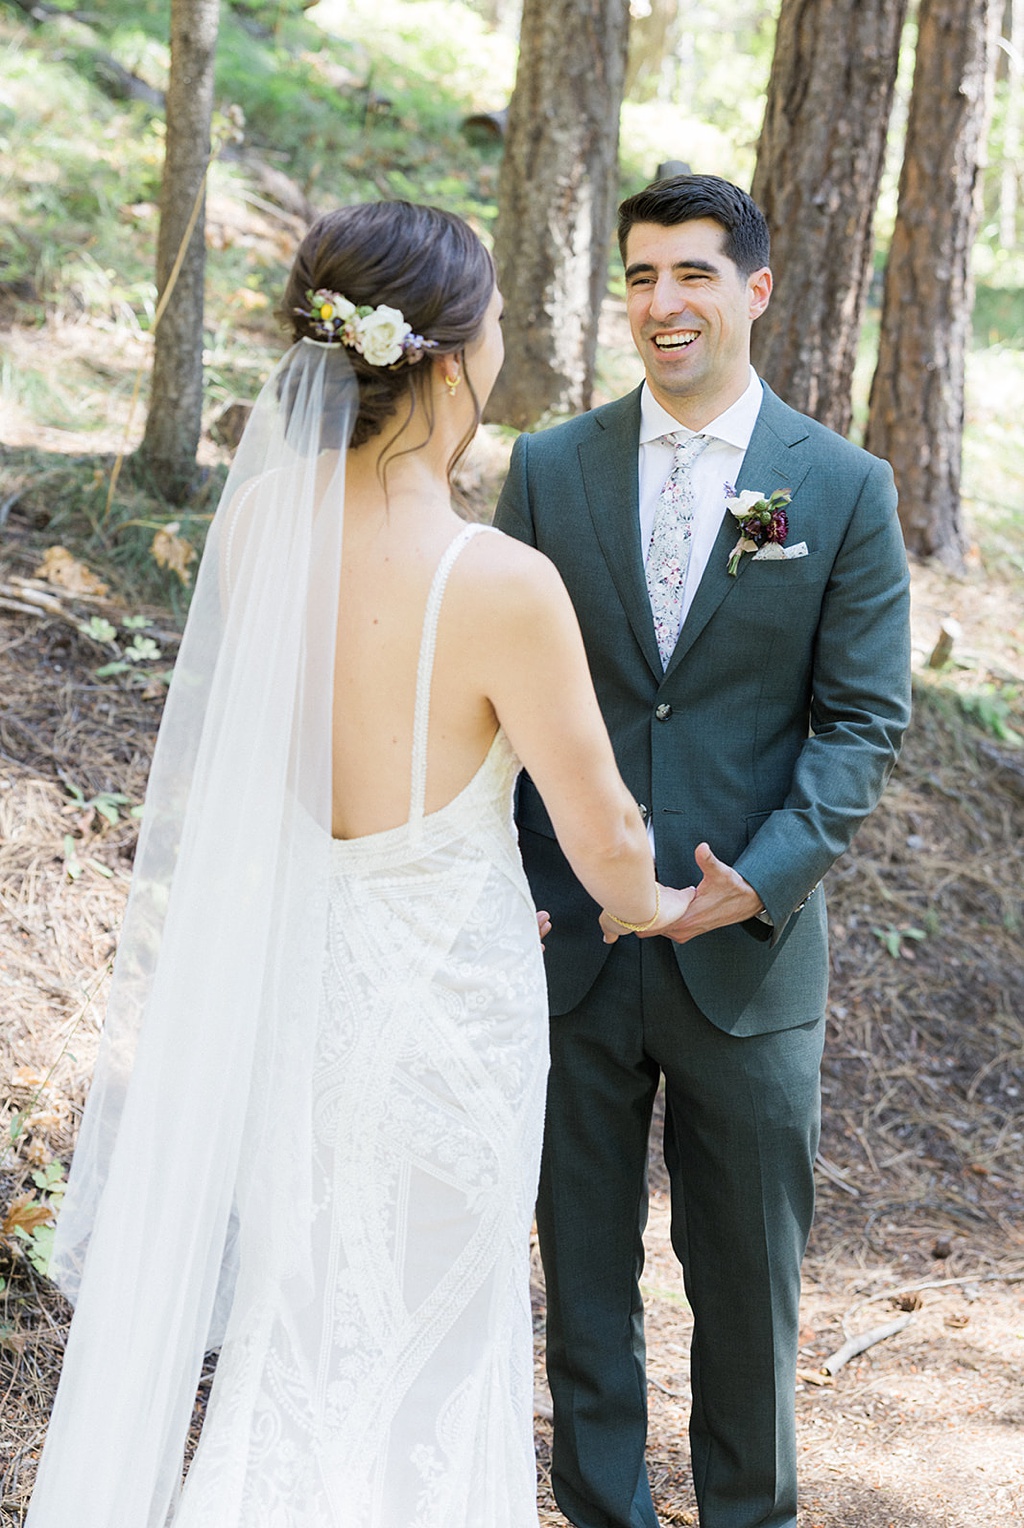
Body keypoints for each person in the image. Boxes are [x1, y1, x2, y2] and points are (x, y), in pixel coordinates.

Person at [26, 201, 692, 1528]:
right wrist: (672, 904)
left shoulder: (267, 522)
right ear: (446, 360)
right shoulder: (495, 580)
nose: (506, 339)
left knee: (304, 1327)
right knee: (432, 1353)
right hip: (448, 1017)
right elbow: (608, 843)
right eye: (498, 317)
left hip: (301, 997)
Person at [494, 174, 912, 1528]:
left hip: (750, 964)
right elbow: (495, 699)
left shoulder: (842, 489)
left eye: (691, 274)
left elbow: (861, 722)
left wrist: (765, 876)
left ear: (756, 289)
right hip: (574, 951)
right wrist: (519, 888)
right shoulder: (551, 470)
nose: (662, 305)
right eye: (639, 277)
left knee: (748, 1295)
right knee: (585, 1298)